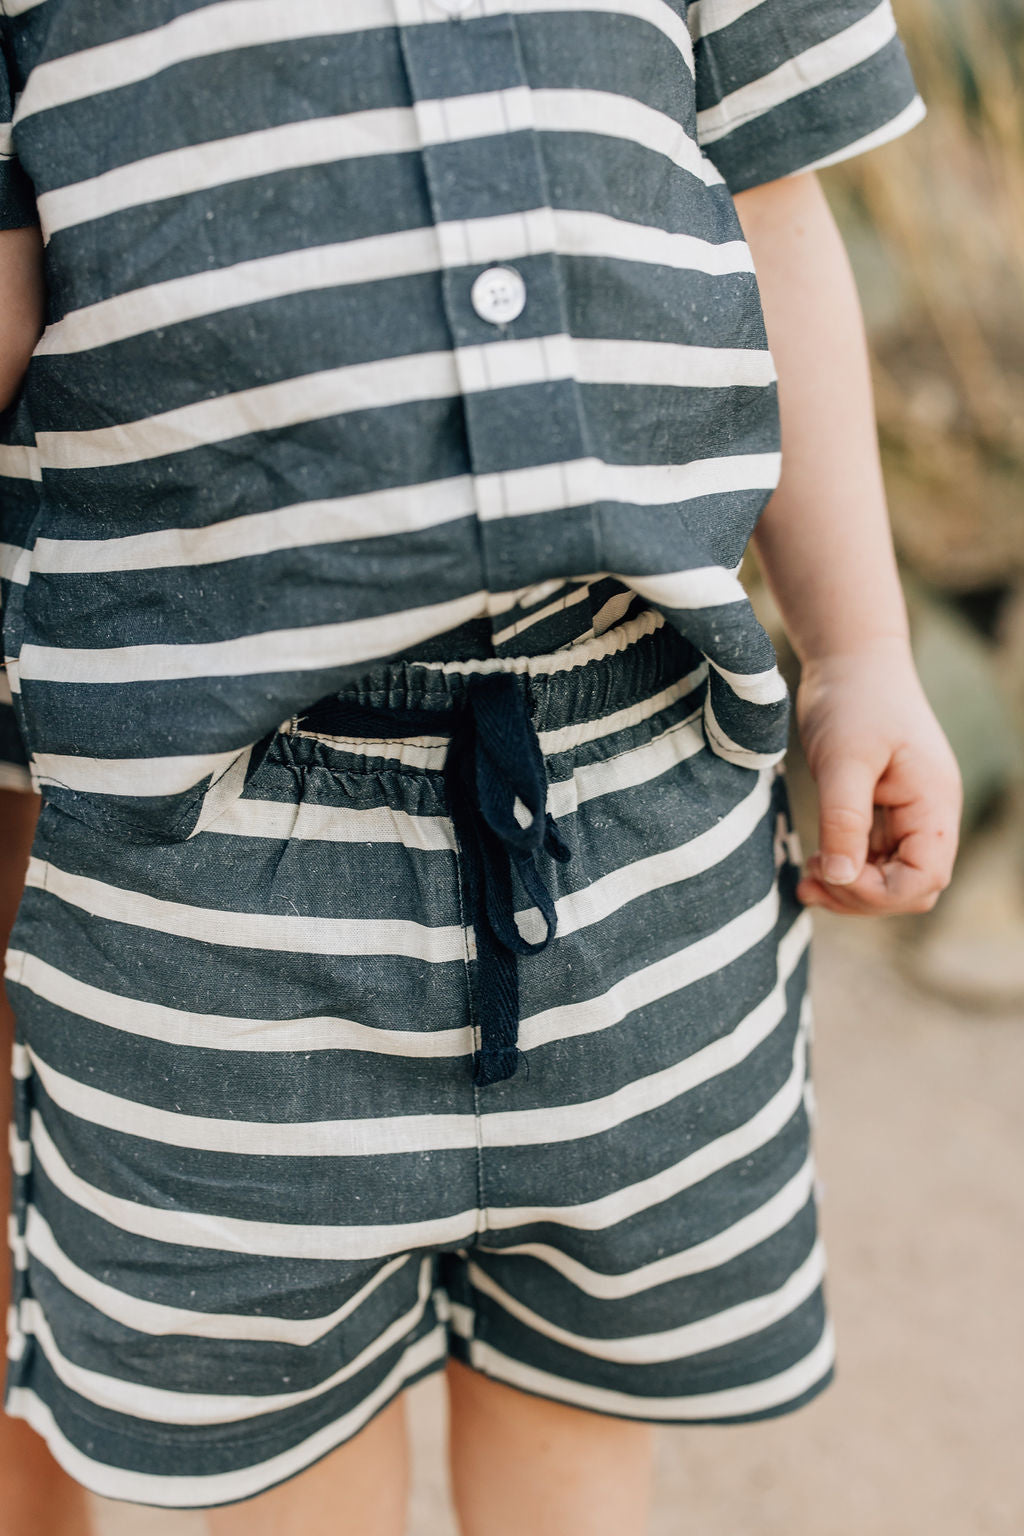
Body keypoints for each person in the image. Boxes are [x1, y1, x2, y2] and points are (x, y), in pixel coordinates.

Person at [0, 2, 961, 1532]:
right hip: (211, 880)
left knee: (584, 1421)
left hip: (638, 799)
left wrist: (860, 654)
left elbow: (769, 206)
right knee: (276, 1466)